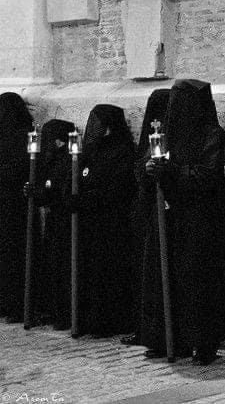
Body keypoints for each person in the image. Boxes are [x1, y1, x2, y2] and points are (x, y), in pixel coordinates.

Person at [142, 79, 225, 365]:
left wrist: (173, 171)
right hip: (168, 215)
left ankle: (201, 343)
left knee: (196, 282)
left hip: (198, 218)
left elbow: (208, 174)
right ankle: (166, 337)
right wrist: (149, 168)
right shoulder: (166, 134)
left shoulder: (213, 135)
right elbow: (148, 163)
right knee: (164, 276)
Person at [76, 104, 137, 337]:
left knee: (109, 273)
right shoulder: (92, 151)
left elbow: (119, 188)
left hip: (112, 223)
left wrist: (91, 197)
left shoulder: (123, 151)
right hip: (91, 222)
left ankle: (109, 321)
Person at [121, 89, 171, 346]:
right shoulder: (150, 137)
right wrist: (145, 169)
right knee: (143, 273)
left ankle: (162, 333)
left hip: (168, 212)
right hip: (145, 211)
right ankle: (145, 328)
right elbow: (139, 167)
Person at [24, 119, 75, 330]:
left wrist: (43, 193)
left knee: (63, 267)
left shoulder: (67, 161)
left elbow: (59, 192)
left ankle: (65, 314)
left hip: (67, 222)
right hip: (55, 221)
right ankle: (53, 310)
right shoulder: (52, 160)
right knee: (52, 265)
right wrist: (36, 192)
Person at [0, 92, 33, 323]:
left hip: (13, 203)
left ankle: (15, 304)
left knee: (13, 254)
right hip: (8, 202)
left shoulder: (23, 137)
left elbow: (19, 169)